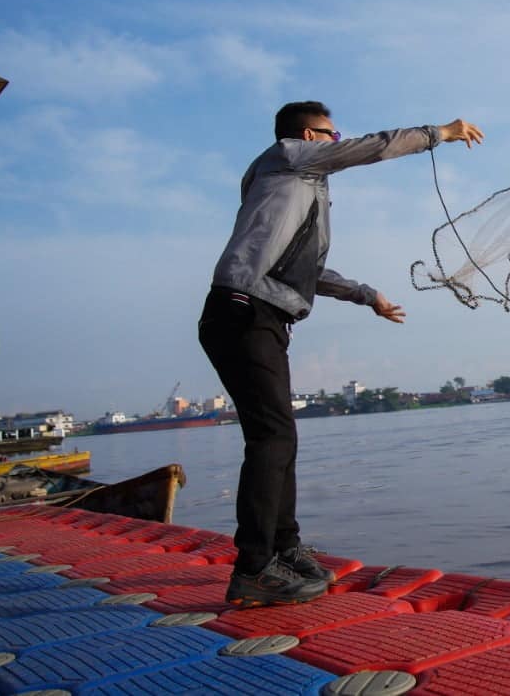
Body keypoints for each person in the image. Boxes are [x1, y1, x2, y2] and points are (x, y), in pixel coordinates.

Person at [199, 101, 483, 607]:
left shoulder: (298, 188)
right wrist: (440, 132)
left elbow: (308, 272)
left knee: (280, 436)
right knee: (272, 437)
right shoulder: (289, 158)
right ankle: (253, 567)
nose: (338, 141)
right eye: (332, 134)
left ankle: (283, 551)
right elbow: (373, 147)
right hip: (243, 311)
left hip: (262, 315)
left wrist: (367, 295)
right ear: (310, 136)